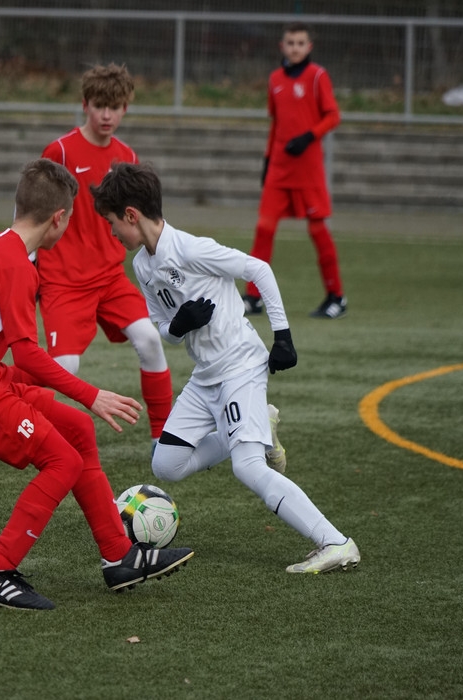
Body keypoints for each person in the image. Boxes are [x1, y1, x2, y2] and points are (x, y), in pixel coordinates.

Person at [0, 159, 193, 610]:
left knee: (77, 430)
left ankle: (119, 556)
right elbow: (27, 353)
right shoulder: (16, 264)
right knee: (63, 461)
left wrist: (64, 392)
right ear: (59, 219)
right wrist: (92, 395)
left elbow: (3, 355)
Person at [92, 162, 360, 574]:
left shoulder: (191, 249)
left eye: (112, 223)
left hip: (241, 366)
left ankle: (335, 542)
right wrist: (178, 326)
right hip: (206, 377)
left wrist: (283, 336)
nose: (111, 233)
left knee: (247, 466)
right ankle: (258, 425)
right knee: (166, 463)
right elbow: (164, 329)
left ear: (131, 215)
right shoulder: (143, 265)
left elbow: (258, 269)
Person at [37, 63, 174, 443]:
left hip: (110, 278)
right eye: (100, 106)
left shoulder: (126, 155)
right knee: (65, 366)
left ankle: (162, 437)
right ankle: (34, 428)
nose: (107, 115)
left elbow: (138, 218)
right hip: (63, 280)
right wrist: (26, 260)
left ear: (125, 108)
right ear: (85, 105)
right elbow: (33, 206)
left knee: (149, 339)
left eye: (115, 107)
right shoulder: (60, 150)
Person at [243, 21, 347, 320]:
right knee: (264, 228)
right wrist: (267, 160)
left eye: (301, 43)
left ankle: (336, 297)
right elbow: (276, 124)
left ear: (309, 47)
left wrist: (308, 137)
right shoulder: (275, 78)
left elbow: (333, 116)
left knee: (317, 230)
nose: (295, 48)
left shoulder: (317, 76)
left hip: (308, 169)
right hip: (279, 167)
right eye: (290, 43)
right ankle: (253, 297)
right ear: (282, 46)